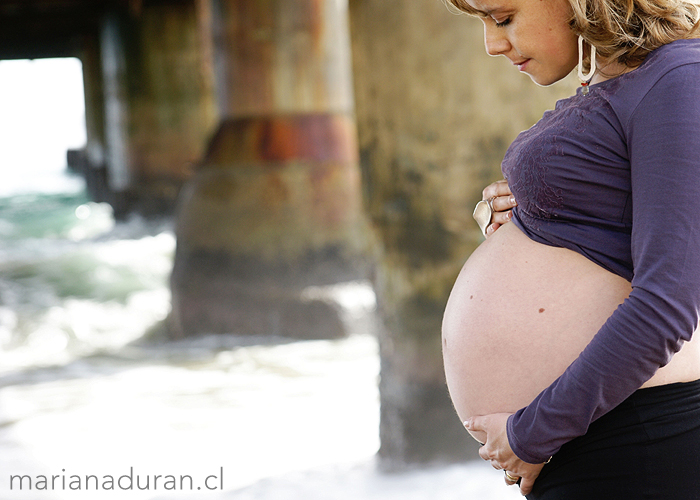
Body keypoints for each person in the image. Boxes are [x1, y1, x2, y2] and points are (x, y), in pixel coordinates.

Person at [440, 0, 700, 497]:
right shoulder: (630, 78)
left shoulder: (680, 78)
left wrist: (531, 435)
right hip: (596, 434)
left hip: (635, 439)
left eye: (502, 18)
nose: (493, 45)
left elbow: (669, 302)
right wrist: (525, 220)